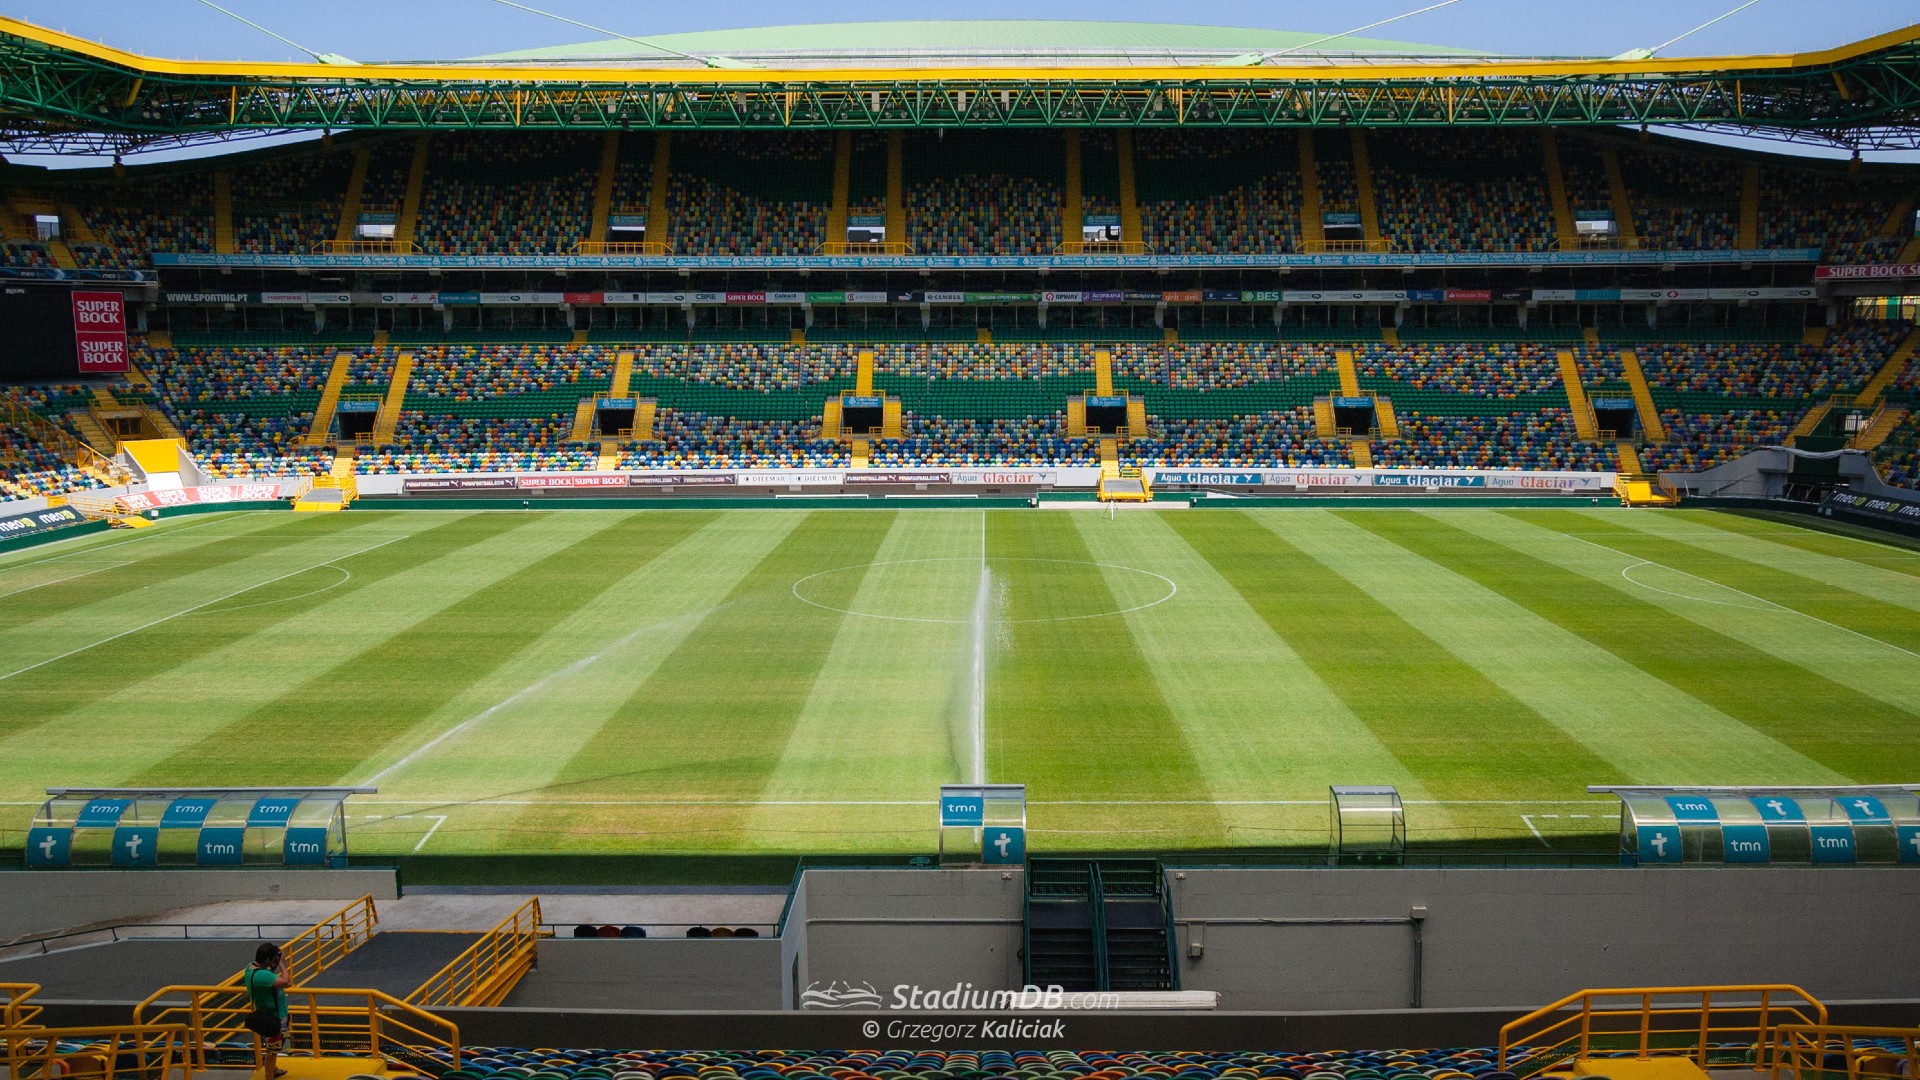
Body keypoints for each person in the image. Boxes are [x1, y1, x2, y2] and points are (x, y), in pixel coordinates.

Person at [244, 942, 290, 1079]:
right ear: (267, 960)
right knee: (273, 1050)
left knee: (272, 1047)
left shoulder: (250, 968)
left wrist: (273, 963)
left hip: (265, 1012)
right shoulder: (263, 976)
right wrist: (281, 964)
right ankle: (269, 1075)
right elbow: (287, 982)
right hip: (274, 1015)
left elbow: (274, 979)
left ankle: (273, 1069)